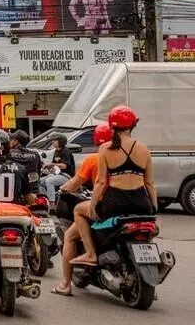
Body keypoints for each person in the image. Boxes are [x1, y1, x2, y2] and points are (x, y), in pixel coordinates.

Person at [70, 107, 155, 266]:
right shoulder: (144, 149)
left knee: (78, 210)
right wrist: (153, 206)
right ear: (133, 125)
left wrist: (93, 205)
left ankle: (90, 253)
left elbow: (101, 182)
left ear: (112, 126)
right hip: (141, 203)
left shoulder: (105, 148)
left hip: (115, 203)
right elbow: (149, 183)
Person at [52, 123, 114, 296]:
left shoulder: (94, 159)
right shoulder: (126, 157)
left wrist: (63, 188)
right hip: (133, 206)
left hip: (105, 205)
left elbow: (75, 183)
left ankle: (66, 283)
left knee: (70, 235)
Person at [39, 135, 75, 204]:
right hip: (58, 174)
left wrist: (52, 164)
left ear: (60, 142)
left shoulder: (66, 151)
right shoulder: (56, 151)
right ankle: (45, 201)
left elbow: (64, 166)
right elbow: (55, 166)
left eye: (55, 140)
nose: (52, 142)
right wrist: (49, 167)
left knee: (49, 181)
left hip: (66, 175)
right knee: (41, 181)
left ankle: (52, 203)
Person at [9, 129, 42, 205]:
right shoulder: (36, 154)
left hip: (15, 191)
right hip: (33, 191)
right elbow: (38, 173)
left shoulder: (9, 153)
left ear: (16, 141)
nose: (10, 141)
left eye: (11, 139)